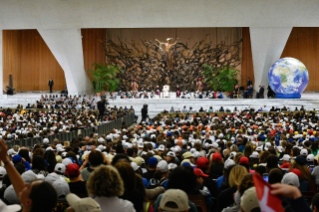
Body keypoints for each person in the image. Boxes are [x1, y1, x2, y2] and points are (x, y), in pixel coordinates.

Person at [0, 139, 58, 212]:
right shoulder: (32, 204)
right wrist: (5, 160)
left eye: (28, 186)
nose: (25, 184)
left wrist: (6, 160)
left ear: (28, 202)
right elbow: (20, 187)